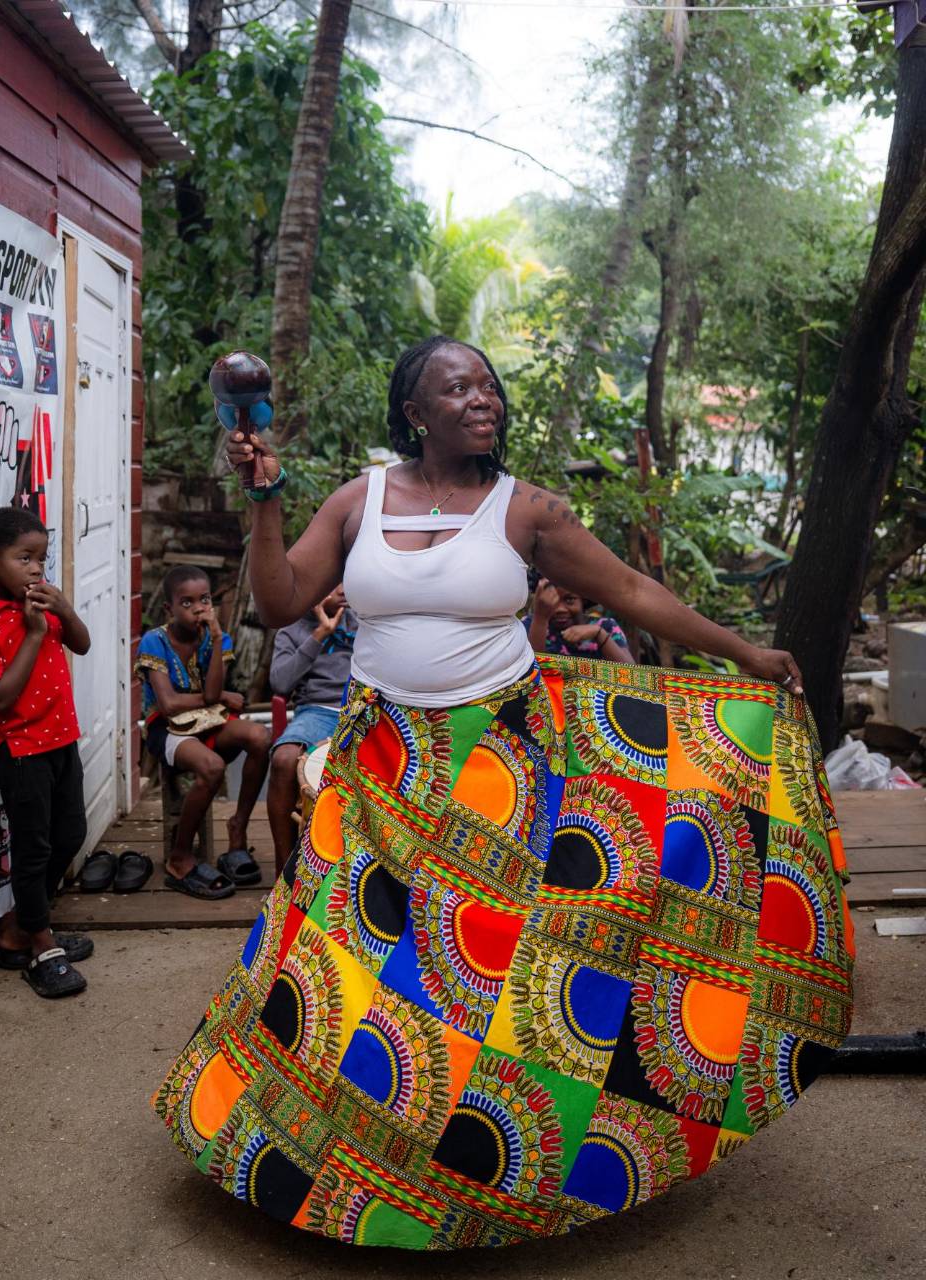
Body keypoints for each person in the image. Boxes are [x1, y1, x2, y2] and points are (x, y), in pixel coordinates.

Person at [155, 336, 852, 1249]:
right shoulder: (359, 500)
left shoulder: (526, 510)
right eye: (458, 387)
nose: (481, 399)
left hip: (502, 765)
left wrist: (745, 653)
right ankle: (327, 1162)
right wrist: (264, 496)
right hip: (383, 766)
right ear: (414, 409)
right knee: (341, 960)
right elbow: (284, 600)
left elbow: (635, 588)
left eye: (488, 386)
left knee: (484, 976)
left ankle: (493, 1177)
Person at [0, 508, 92, 998]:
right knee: (32, 846)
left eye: (42, 558)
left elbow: (81, 644)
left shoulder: (41, 601)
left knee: (72, 832)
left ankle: (20, 927)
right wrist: (35, 633)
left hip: (62, 736)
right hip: (20, 748)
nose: (38, 569)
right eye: (25, 558)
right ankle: (41, 944)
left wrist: (63, 612)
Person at [135, 566, 270, 899]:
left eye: (205, 600)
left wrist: (214, 640)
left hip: (208, 721)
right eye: (187, 602)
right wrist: (223, 697)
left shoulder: (217, 638)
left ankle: (237, 829)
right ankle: (180, 857)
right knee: (211, 767)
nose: (198, 608)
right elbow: (167, 704)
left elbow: (210, 696)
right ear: (169, 609)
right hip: (166, 731)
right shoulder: (156, 640)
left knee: (259, 737)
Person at [266, 584, 357, 875]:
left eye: (344, 580)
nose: (342, 589)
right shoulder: (291, 631)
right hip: (317, 711)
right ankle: (285, 870)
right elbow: (280, 683)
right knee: (282, 759)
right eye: (331, 584)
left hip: (360, 708)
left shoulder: (364, 621)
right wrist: (320, 634)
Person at [524, 577, 633, 662]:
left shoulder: (606, 626)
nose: (560, 609)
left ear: (583, 600)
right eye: (552, 601)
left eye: (569, 600)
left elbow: (632, 673)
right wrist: (540, 619)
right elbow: (530, 671)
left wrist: (599, 634)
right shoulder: (529, 625)